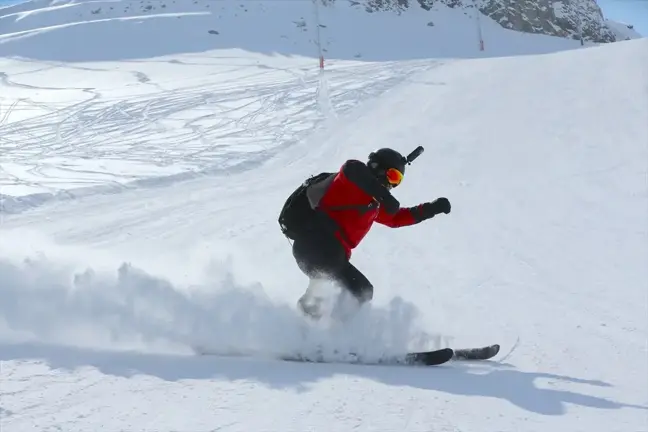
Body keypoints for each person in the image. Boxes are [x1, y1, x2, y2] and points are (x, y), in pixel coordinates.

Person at [278, 147, 451, 319]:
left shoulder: (373, 205)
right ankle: (335, 335)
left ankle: (300, 328)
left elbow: (396, 218)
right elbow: (353, 170)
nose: (392, 184)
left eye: (397, 180)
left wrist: (432, 208)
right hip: (319, 243)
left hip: (323, 255)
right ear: (377, 167)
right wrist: (384, 196)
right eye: (392, 176)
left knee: (321, 296)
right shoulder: (349, 179)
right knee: (361, 290)